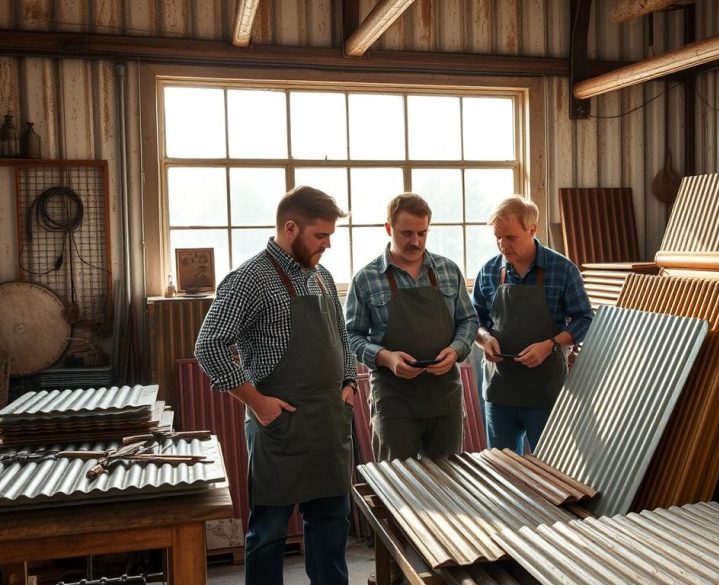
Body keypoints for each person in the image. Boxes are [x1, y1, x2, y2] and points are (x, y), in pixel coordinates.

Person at [195, 186, 356, 585]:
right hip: (279, 427)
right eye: (320, 235)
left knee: (331, 526)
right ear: (290, 228)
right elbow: (209, 344)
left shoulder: (321, 276)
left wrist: (349, 381)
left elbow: (343, 336)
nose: (328, 244)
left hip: (328, 425)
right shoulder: (250, 279)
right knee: (267, 534)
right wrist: (257, 403)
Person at [346, 193, 478, 463]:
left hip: (445, 398)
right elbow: (350, 336)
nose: (415, 241)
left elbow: (468, 321)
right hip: (394, 402)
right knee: (397, 486)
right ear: (388, 228)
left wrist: (456, 350)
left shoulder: (448, 270)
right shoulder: (367, 279)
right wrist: (385, 357)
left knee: (448, 485)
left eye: (422, 233)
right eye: (406, 233)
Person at [472, 197, 593, 454]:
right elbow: (474, 320)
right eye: (498, 237)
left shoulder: (562, 270)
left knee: (552, 472)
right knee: (503, 471)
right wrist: (484, 339)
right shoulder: (489, 271)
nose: (503, 246)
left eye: (511, 237)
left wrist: (551, 344)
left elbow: (585, 319)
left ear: (532, 230)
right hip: (500, 393)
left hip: (544, 393)